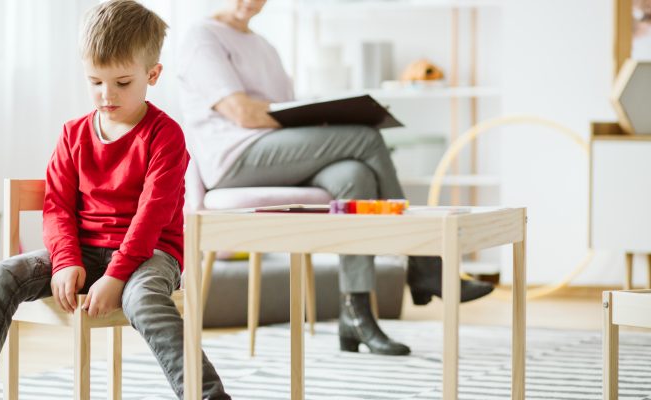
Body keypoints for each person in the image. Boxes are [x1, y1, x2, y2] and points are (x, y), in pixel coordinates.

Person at [0, 1, 231, 399]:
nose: (106, 95)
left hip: (147, 256)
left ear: (152, 74)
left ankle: (208, 395)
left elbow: (153, 213)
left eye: (122, 83)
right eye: (95, 81)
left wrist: (116, 274)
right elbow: (57, 206)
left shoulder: (165, 135)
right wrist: (66, 260)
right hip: (81, 252)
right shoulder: (73, 134)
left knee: (145, 300)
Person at [177, 0, 494, 356]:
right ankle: (423, 263)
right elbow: (243, 113)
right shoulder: (202, 37)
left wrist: (320, 119)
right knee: (365, 137)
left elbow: (287, 110)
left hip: (277, 155)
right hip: (234, 158)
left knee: (355, 175)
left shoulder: (264, 45)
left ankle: (355, 315)